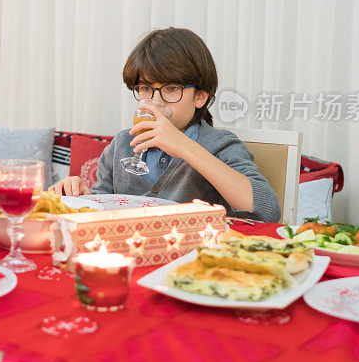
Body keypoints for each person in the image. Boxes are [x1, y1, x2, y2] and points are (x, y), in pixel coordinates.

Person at [50, 27, 280, 222]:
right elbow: (102, 211)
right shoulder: (122, 145)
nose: (155, 101)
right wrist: (80, 197)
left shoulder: (220, 144)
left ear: (200, 96)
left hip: (192, 263)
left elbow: (267, 211)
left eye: (171, 89)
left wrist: (184, 147)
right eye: (145, 88)